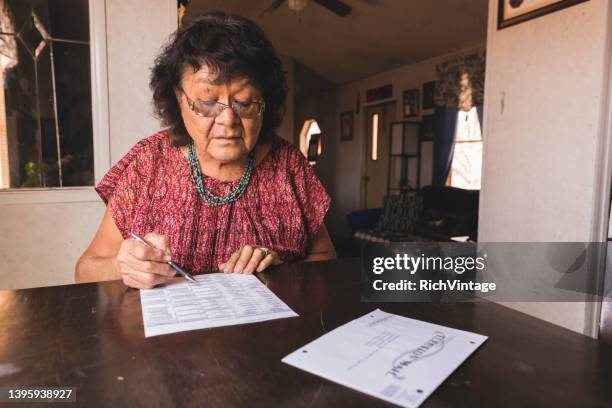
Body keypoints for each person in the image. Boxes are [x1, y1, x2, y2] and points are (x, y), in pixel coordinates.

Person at [75, 12, 336, 289]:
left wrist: (282, 267)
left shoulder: (288, 164)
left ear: (265, 102)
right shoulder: (147, 163)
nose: (228, 120)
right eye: (207, 102)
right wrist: (123, 266)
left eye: (245, 102)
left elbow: (327, 257)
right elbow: (84, 270)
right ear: (178, 100)